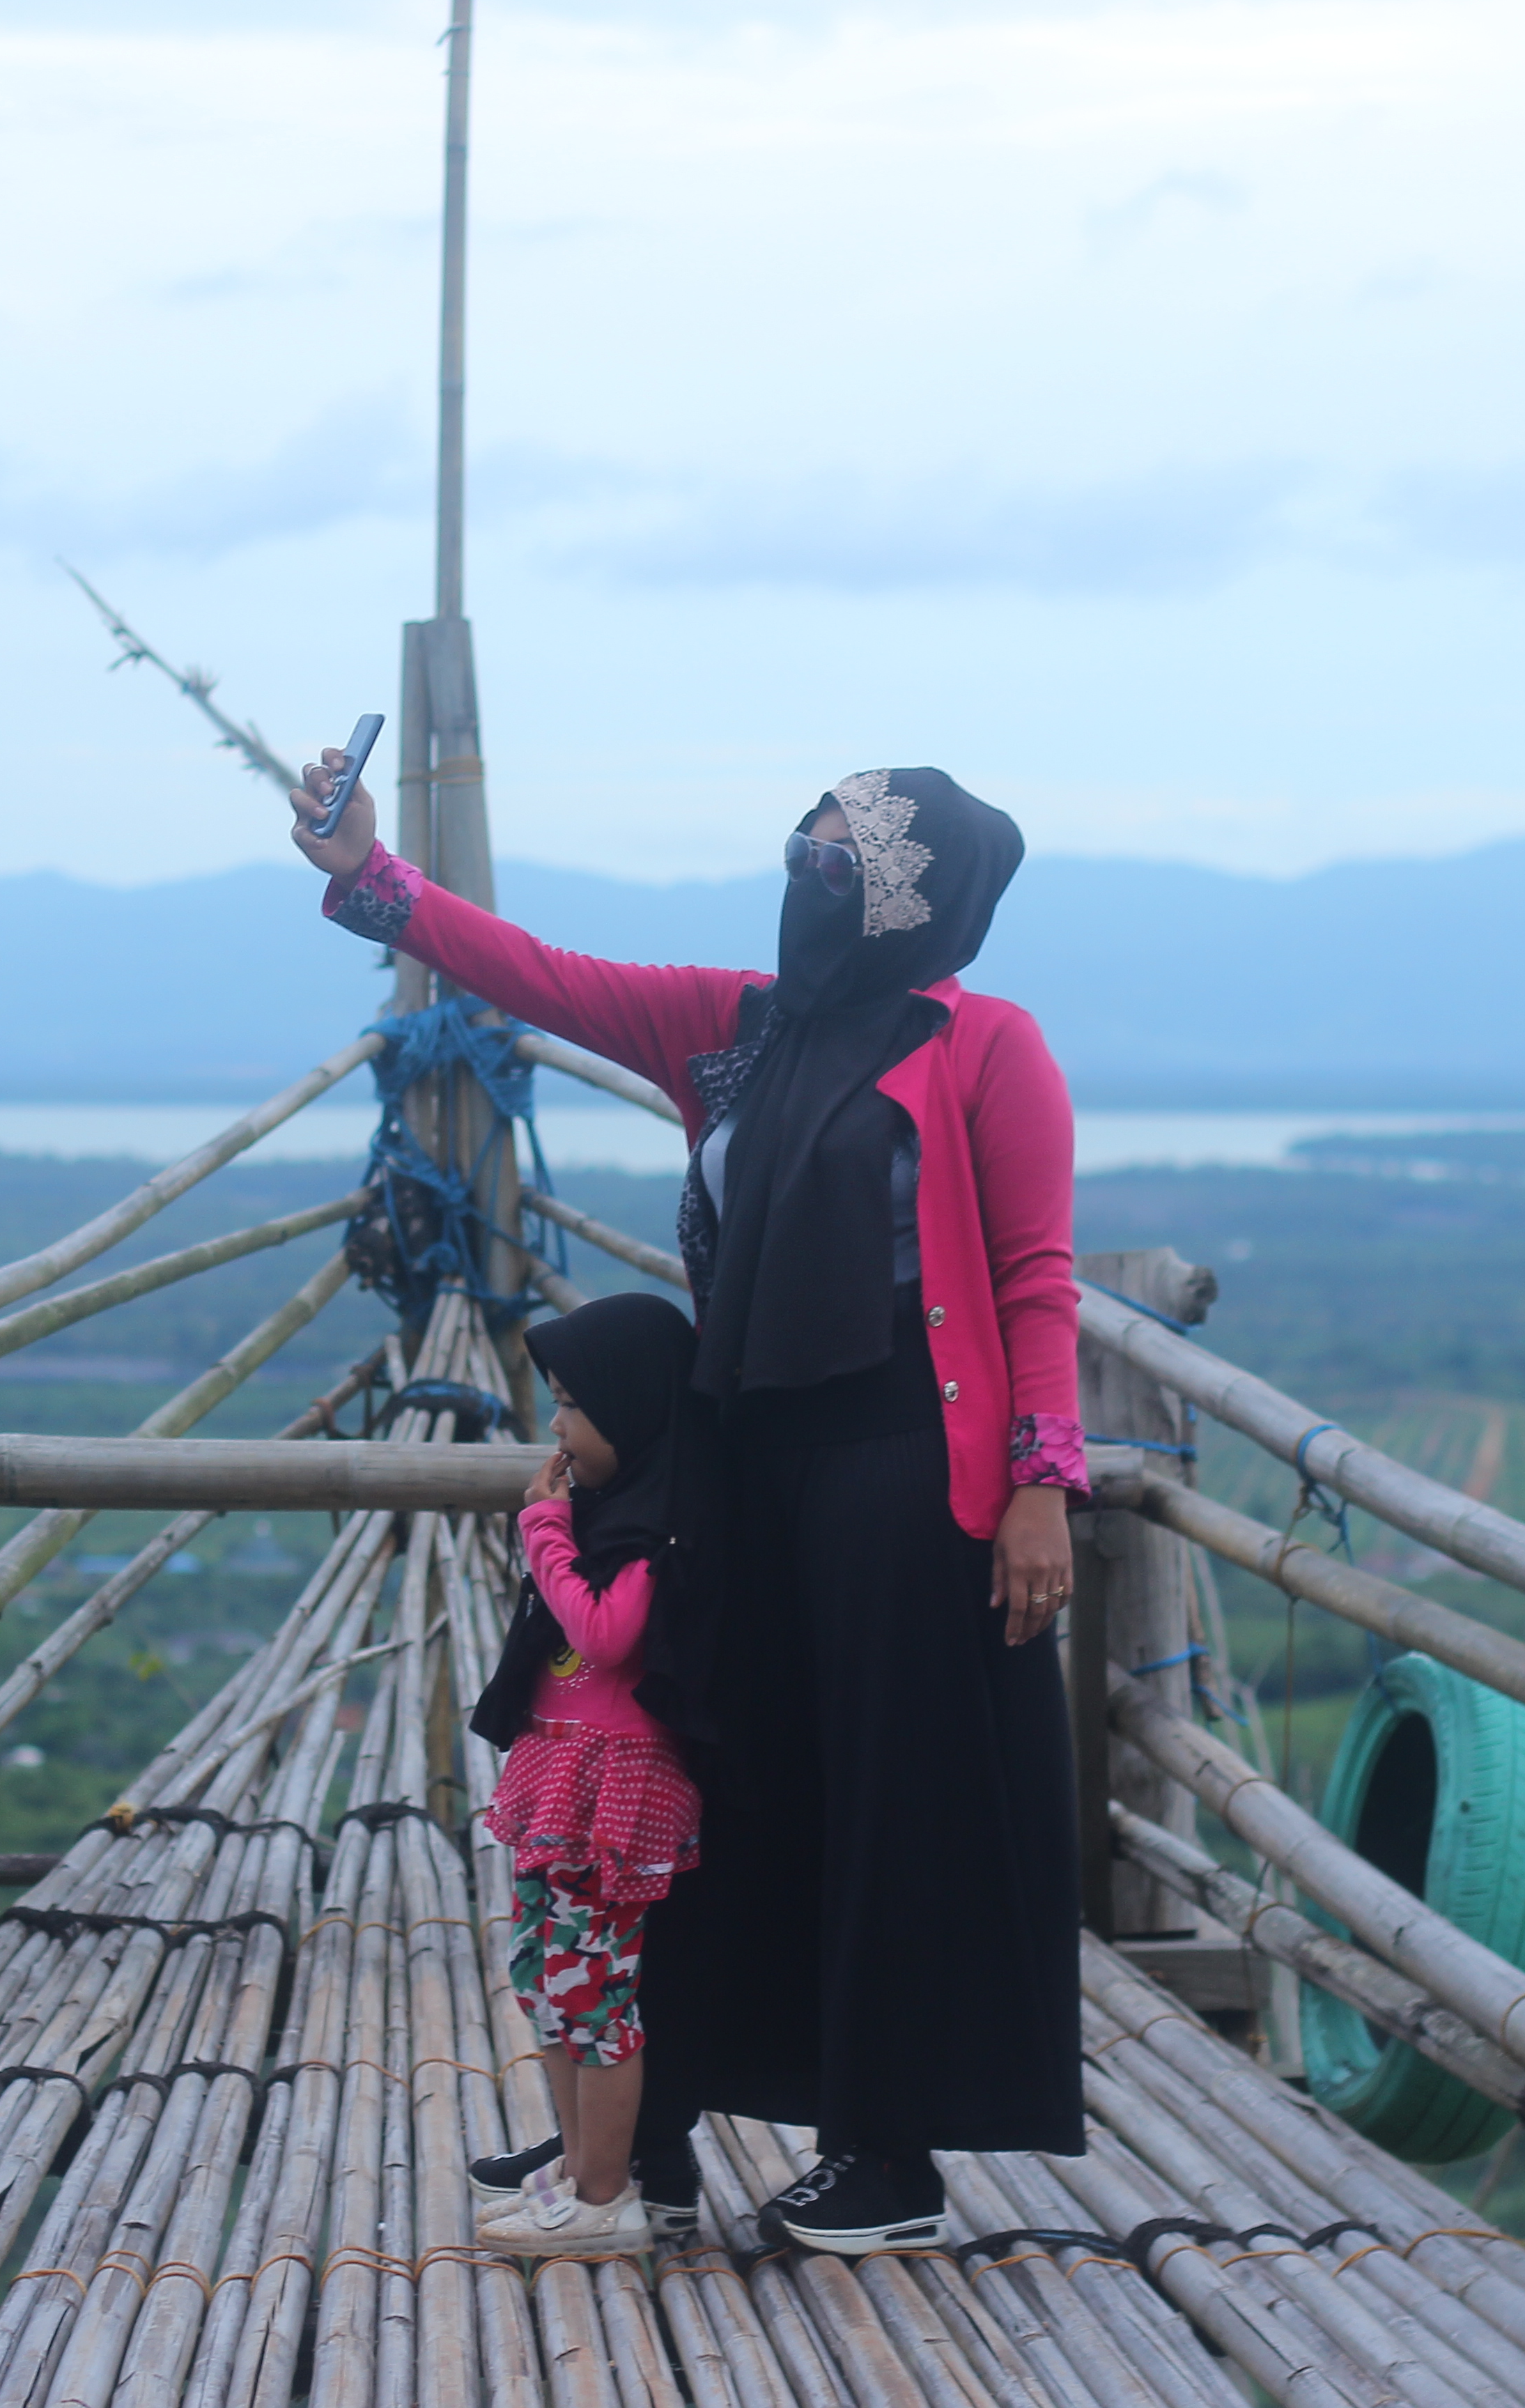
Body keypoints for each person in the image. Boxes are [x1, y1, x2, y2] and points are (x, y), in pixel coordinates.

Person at [292, 752, 1086, 2256]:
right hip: (739, 1467)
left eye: (844, 858)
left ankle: (889, 2160)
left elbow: (1039, 1280)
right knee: (715, 1790)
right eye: (801, 844)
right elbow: (538, 974)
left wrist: (1043, 1488)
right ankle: (646, 2131)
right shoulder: (736, 1034)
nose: (808, 874)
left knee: (884, 1801)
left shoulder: (985, 1048)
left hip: (909, 1475)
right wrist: (367, 872)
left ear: (920, 894)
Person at [464, 1292, 722, 2259]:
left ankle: (604, 2197)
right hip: (562, 1775)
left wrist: (544, 1531)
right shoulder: (613, 1512)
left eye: (574, 1404)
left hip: (616, 1786)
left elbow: (609, 1637)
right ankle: (577, 2179)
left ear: (636, 1408)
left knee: (597, 1996)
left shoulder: (661, 1527)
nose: (558, 1427)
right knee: (550, 1982)